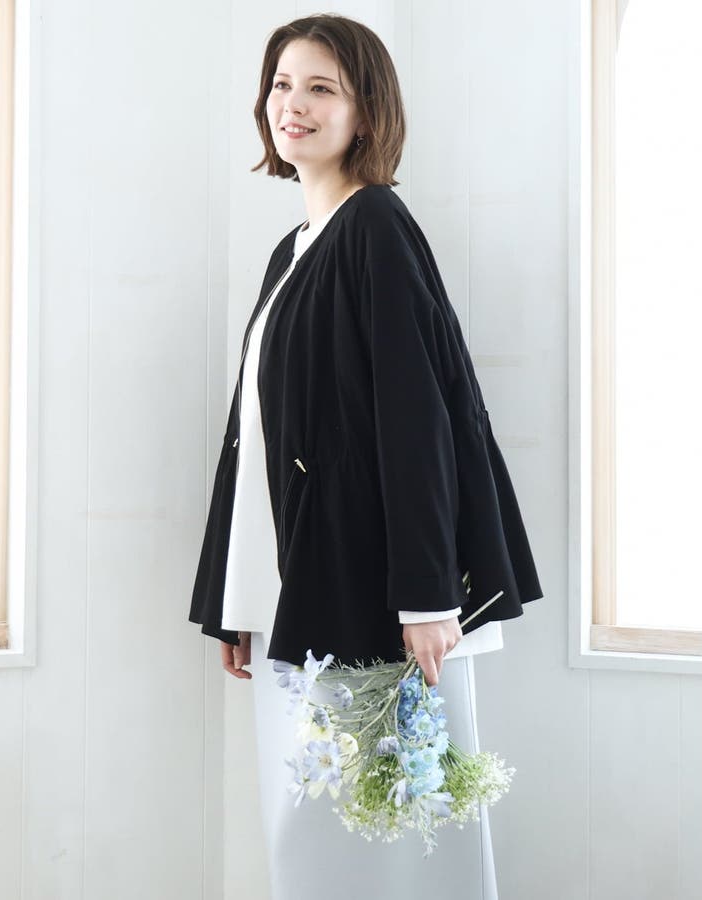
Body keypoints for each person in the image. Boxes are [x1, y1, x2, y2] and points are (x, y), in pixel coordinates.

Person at [188, 13, 543, 898]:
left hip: (376, 592)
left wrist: (428, 594)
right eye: (282, 84)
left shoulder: (375, 224)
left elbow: (417, 418)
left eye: (321, 88)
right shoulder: (293, 249)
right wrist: (232, 598)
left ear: (365, 111)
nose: (293, 104)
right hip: (294, 589)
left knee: (402, 836)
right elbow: (258, 436)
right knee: (312, 831)